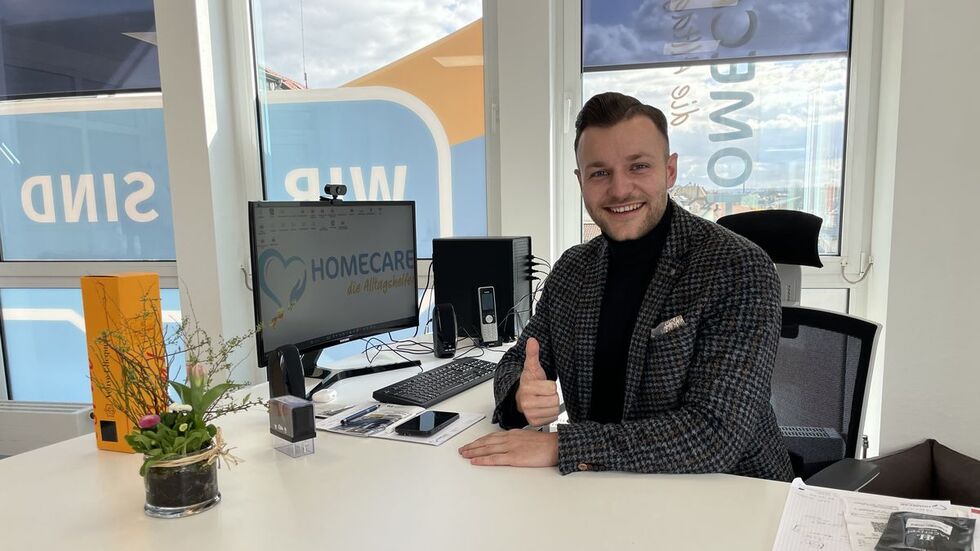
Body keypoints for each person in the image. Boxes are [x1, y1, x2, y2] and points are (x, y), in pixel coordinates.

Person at [458, 92, 793, 480]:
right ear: (580, 180)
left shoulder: (737, 267)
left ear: (669, 171)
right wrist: (520, 394)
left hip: (729, 493)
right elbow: (520, 360)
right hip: (603, 487)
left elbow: (714, 434)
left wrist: (562, 445)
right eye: (599, 173)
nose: (619, 190)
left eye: (638, 167)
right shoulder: (572, 270)